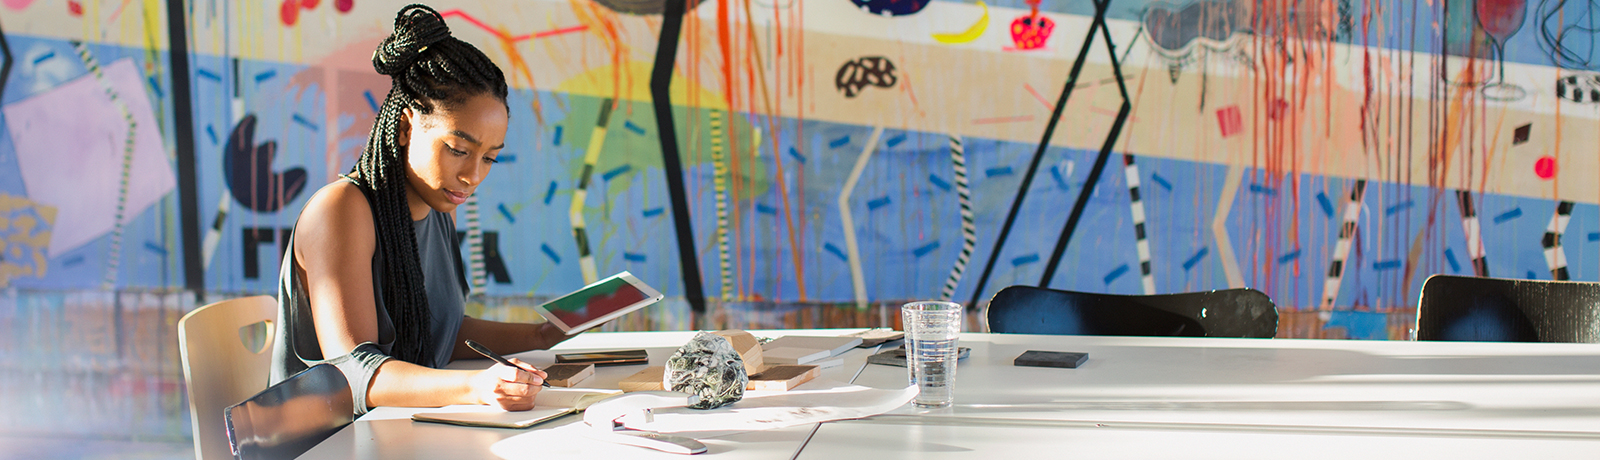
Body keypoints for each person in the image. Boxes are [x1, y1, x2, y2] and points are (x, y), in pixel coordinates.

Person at [271, 3, 569, 415]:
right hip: (332, 445)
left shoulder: (437, 205)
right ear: (408, 126)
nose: (472, 175)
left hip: (400, 431)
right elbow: (351, 374)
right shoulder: (340, 210)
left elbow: (438, 333)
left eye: (489, 158)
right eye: (458, 150)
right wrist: (477, 387)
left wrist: (540, 335)